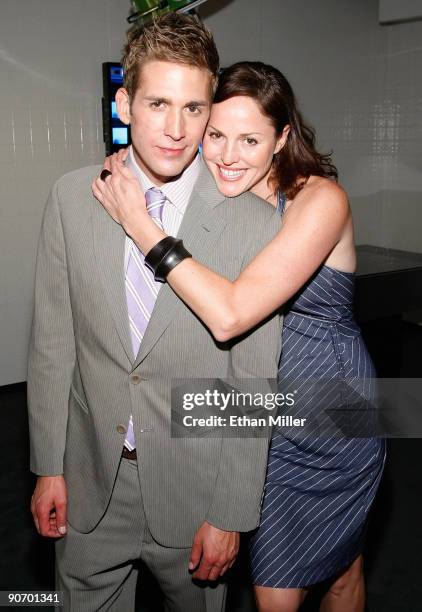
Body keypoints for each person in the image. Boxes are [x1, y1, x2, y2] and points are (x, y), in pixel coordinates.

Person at [95, 61, 386, 612]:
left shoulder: (320, 199)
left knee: (298, 583)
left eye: (250, 139)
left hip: (333, 414)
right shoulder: (225, 202)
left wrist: (142, 225)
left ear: (282, 138)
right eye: (216, 136)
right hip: (259, 414)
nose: (228, 156)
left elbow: (230, 315)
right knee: (342, 564)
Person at [27, 18, 283, 611]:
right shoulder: (71, 197)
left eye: (194, 108)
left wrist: (231, 512)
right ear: (124, 102)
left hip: (196, 493)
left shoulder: (252, 221)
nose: (175, 130)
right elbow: (52, 345)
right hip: (92, 481)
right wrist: (48, 466)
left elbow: (252, 381)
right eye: (158, 103)